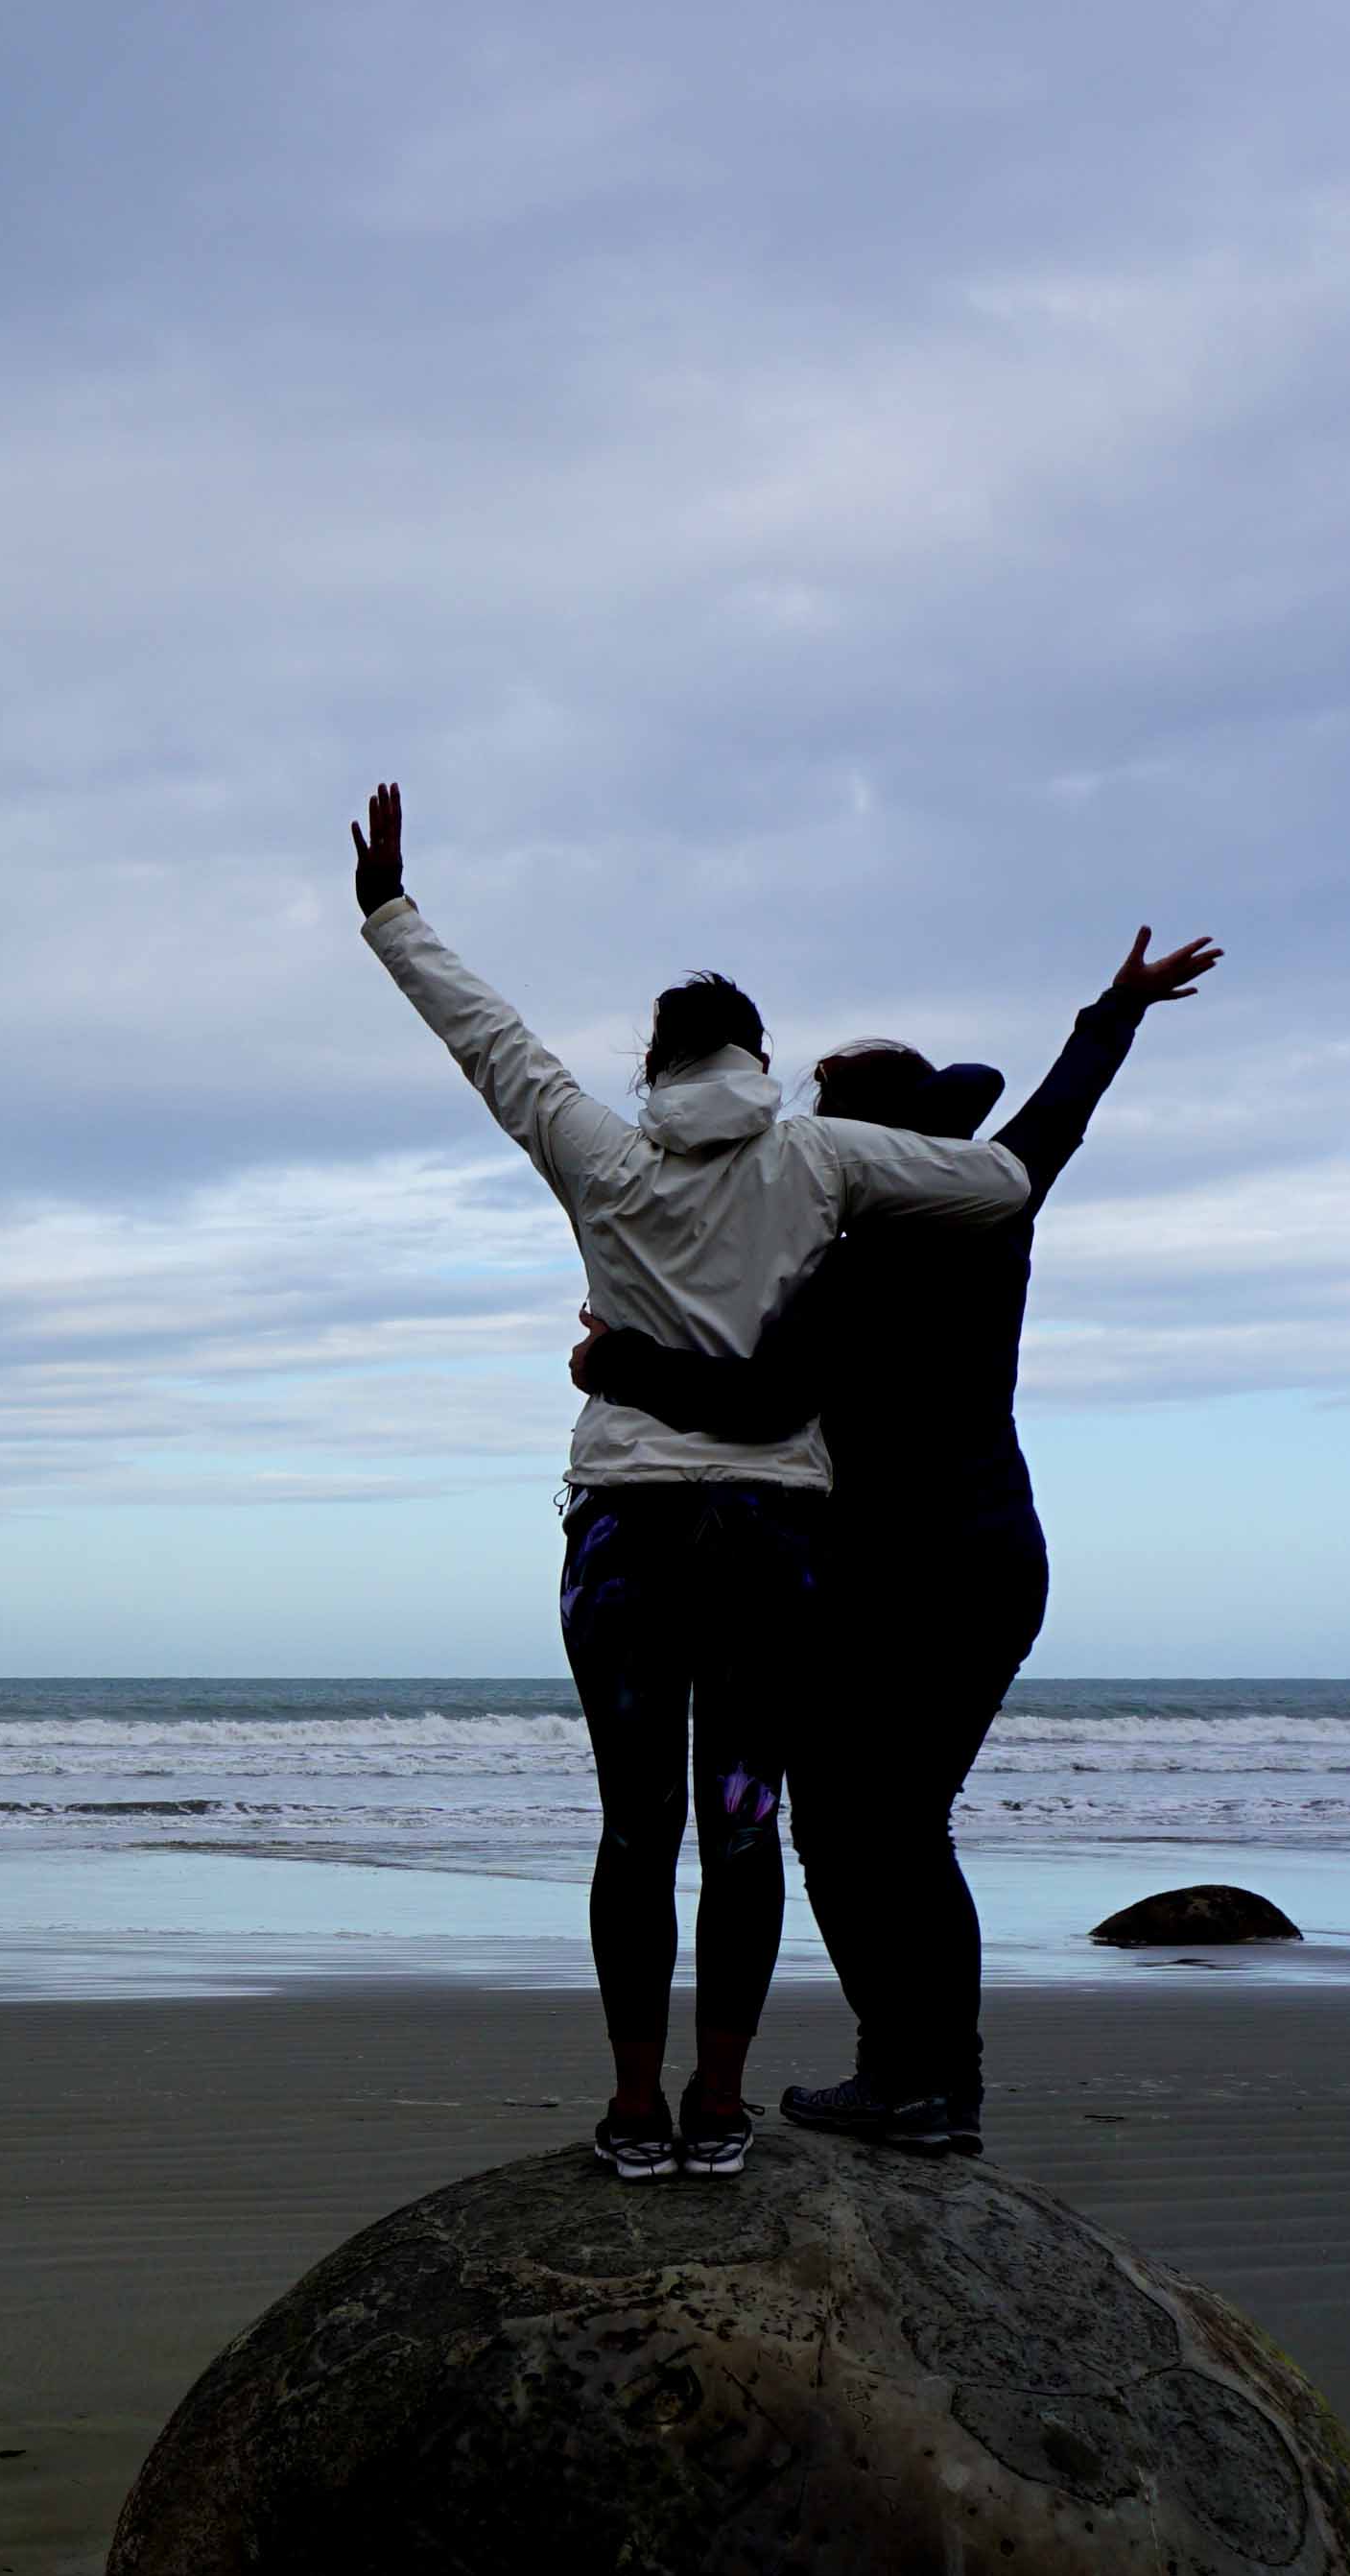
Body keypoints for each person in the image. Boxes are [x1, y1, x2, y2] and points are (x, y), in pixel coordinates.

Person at [348, 780, 1040, 2178]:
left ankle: (632, 2112)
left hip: (624, 1530)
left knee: (633, 1830)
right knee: (743, 1821)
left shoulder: (597, 1153)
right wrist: (887, 1180)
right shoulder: (820, 1159)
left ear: (656, 1064)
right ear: (761, 1059)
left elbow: (486, 1036)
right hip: (770, 1538)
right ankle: (720, 2108)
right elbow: (1003, 1188)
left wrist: (389, 911)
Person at [567, 930, 1218, 2156]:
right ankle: (925, 2080)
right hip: (994, 1562)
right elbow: (1056, 1125)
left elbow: (760, 1403)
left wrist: (616, 1362)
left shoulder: (855, 1266)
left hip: (896, 1575)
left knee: (862, 1830)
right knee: (903, 1825)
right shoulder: (993, 1218)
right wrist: (1115, 1011)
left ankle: (917, 2080)